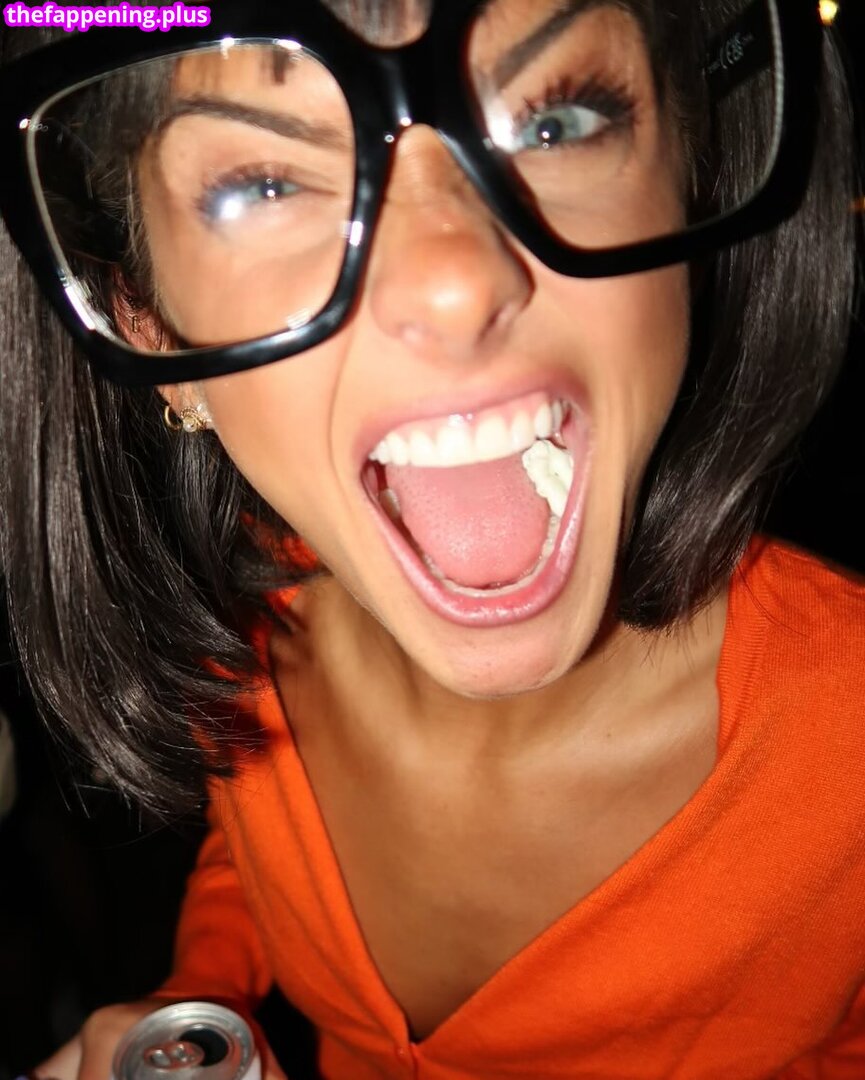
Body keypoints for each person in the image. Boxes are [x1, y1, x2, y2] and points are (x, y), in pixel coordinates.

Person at [0, 1, 862, 1076]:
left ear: (694, 175)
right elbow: (259, 857)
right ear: (148, 321)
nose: (456, 282)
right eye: (264, 185)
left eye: (552, 124)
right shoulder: (253, 626)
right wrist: (200, 1006)